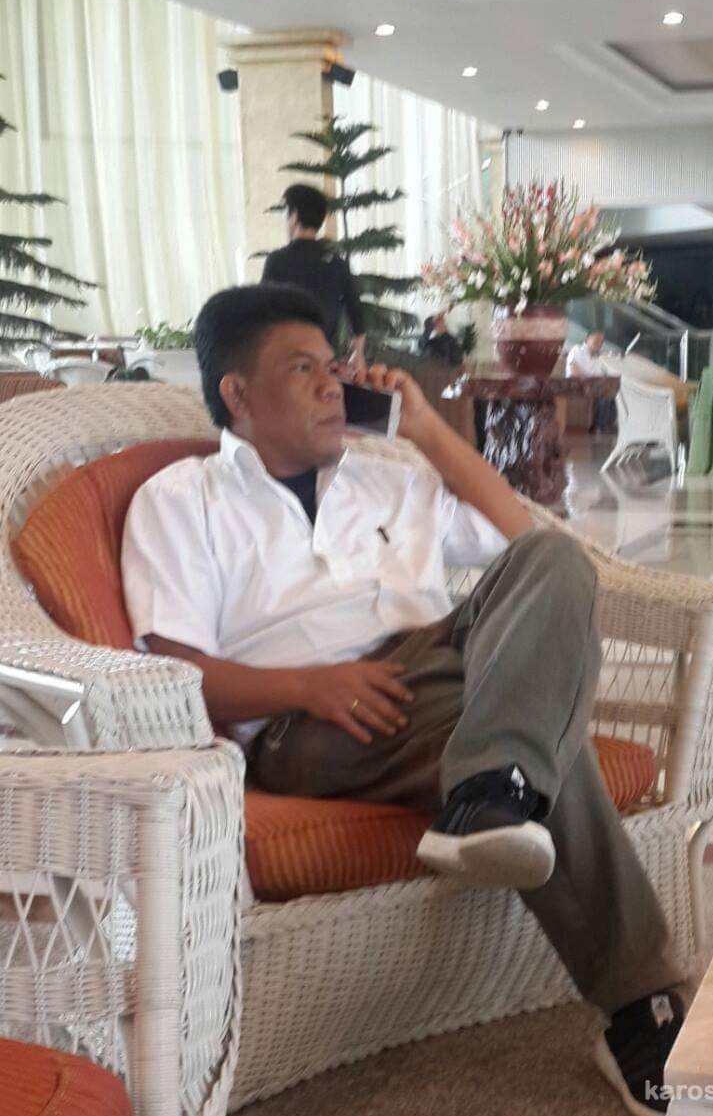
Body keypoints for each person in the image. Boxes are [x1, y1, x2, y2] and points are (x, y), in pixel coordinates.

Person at [121, 283, 684, 1114]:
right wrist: (306, 684)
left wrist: (423, 427)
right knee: (541, 735)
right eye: (301, 368)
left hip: (439, 676)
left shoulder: (385, 481)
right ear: (237, 393)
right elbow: (172, 667)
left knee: (555, 562)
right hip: (310, 722)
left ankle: (489, 789)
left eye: (332, 366)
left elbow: (519, 534)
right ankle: (642, 1004)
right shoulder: (182, 499)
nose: (330, 384)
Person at [262, 183, 367, 370]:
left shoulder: (277, 261)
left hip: (287, 363)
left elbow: (262, 314)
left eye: (286, 212)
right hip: (323, 364)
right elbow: (357, 315)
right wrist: (358, 355)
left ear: (294, 216)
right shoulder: (337, 263)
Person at [567, 331, 617, 434]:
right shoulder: (577, 350)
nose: (599, 343)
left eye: (601, 342)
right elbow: (574, 371)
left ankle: (606, 425)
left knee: (613, 393)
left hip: (592, 388)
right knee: (605, 395)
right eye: (596, 339)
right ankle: (600, 427)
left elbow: (601, 377)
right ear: (587, 338)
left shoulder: (597, 359)